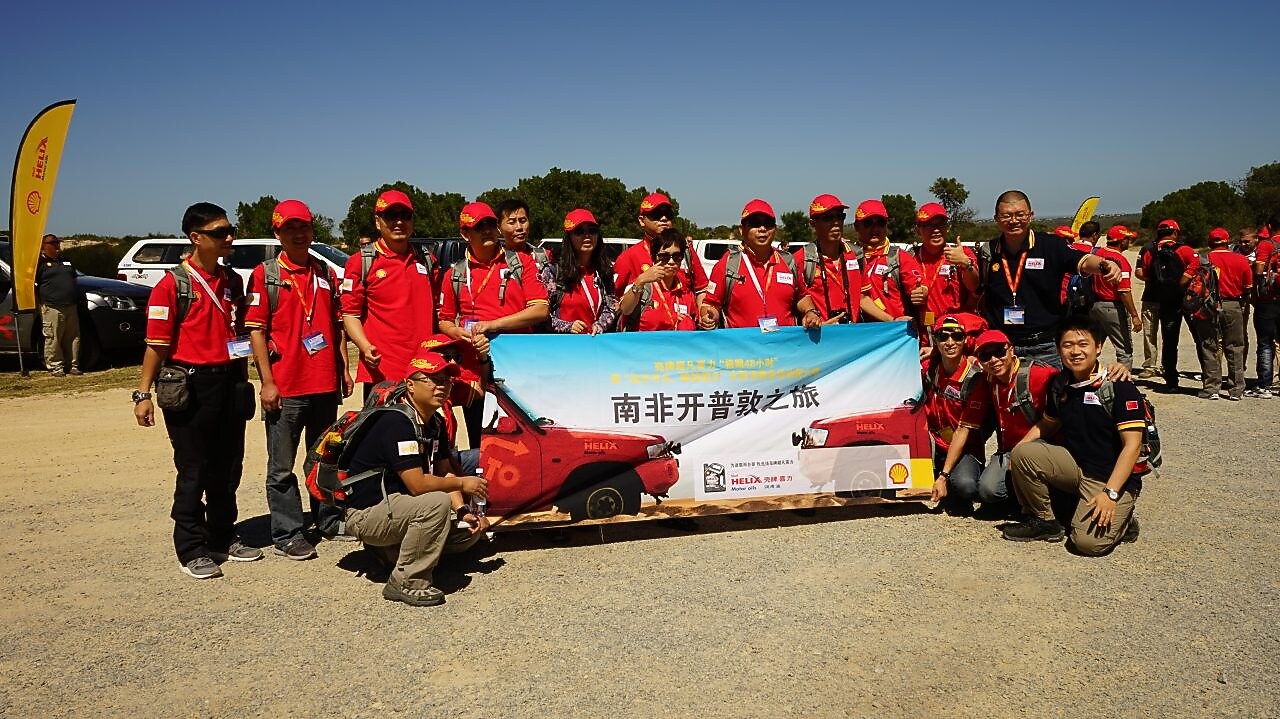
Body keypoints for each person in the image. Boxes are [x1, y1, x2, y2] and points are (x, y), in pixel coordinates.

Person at [133, 202, 262, 579]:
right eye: (220, 232)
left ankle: (223, 535)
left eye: (229, 230)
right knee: (194, 470)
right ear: (196, 238)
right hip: (189, 385)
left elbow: (240, 331)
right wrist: (142, 395)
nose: (229, 238)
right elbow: (156, 345)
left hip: (229, 380)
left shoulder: (232, 281)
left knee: (228, 466)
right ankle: (190, 547)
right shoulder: (172, 285)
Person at [245, 200, 355, 561]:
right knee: (281, 467)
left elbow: (336, 324)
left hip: (323, 382)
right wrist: (268, 382)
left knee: (324, 459)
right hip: (286, 386)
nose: (299, 233)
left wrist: (342, 367)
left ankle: (328, 520)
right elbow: (256, 331)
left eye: (304, 226)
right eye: (290, 228)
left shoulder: (325, 272)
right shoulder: (266, 275)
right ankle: (288, 532)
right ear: (278, 233)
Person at [339, 349, 488, 607]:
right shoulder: (397, 422)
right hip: (368, 512)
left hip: (398, 508)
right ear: (410, 385)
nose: (441, 386)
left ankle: (391, 553)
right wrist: (463, 484)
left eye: (446, 380)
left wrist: (463, 510)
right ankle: (408, 581)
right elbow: (418, 485)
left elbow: (444, 471)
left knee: (468, 533)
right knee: (436, 505)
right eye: (432, 380)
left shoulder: (433, 424)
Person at [1004, 317, 1145, 554]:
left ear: (1098, 347)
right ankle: (1045, 522)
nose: (1075, 351)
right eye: (1068, 345)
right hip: (1076, 467)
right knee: (1024, 452)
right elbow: (1048, 424)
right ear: (1059, 349)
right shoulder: (1061, 384)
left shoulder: (1118, 386)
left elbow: (1133, 446)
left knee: (1087, 544)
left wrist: (1110, 495)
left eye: (1083, 344)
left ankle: (1125, 518)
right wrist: (1017, 456)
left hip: (1109, 478)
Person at [438, 201, 550, 442]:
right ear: (465, 233)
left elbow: (540, 309)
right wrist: (460, 333)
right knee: (482, 444)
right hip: (475, 373)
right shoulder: (455, 274)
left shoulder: (520, 263)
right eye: (478, 227)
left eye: (490, 224)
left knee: (524, 442)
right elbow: (444, 321)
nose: (487, 230)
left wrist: (494, 324)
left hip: (518, 369)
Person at [977, 191, 1121, 367]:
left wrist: (1105, 264)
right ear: (996, 219)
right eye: (1006, 216)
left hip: (1046, 347)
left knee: (1050, 394)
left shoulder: (1051, 245)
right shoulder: (989, 251)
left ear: (1030, 216)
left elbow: (1082, 260)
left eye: (1020, 215)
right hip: (1003, 348)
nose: (1013, 220)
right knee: (1005, 395)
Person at [341, 190, 437, 399]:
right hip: (382, 373)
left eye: (405, 216)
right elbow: (350, 314)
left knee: (423, 432)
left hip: (424, 370)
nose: (399, 222)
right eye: (391, 216)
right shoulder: (361, 262)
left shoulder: (427, 261)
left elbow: (437, 313)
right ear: (378, 221)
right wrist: (365, 347)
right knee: (384, 430)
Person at [698, 199, 822, 330]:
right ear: (741, 229)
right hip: (743, 348)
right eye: (755, 223)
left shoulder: (788, 262)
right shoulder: (728, 264)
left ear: (775, 229)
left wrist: (810, 311)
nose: (762, 229)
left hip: (784, 347)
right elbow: (710, 303)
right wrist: (710, 317)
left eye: (768, 224)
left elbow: (802, 296)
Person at [923, 314, 991, 515]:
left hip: (963, 447)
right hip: (936, 443)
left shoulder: (975, 378)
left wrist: (943, 476)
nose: (950, 342)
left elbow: (964, 431)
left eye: (957, 336)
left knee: (966, 486)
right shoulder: (930, 368)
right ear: (936, 341)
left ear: (965, 340)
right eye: (943, 337)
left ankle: (950, 476)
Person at [1134, 218, 1200, 391]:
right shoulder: (1184, 249)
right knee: (1184, 339)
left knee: (1158, 337)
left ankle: (1160, 373)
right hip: (1180, 300)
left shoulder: (1149, 250)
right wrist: (1182, 281)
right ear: (1175, 233)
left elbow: (1142, 272)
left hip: (1156, 299)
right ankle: (1186, 379)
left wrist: (1156, 281)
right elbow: (1197, 266)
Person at [613, 192, 708, 311]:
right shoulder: (629, 257)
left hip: (683, 326)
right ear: (642, 221)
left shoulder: (686, 250)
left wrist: (703, 314)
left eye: (668, 214)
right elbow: (614, 300)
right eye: (656, 214)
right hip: (646, 327)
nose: (664, 219)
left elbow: (701, 289)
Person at [795, 194, 879, 325]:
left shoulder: (856, 255)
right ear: (813, 224)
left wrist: (894, 321)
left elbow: (862, 299)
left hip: (852, 337)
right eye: (827, 218)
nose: (836, 222)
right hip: (819, 339)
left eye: (840, 216)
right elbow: (795, 302)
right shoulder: (801, 259)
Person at [543, 209, 618, 334]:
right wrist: (567, 326)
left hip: (595, 345)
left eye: (592, 230)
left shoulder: (604, 271)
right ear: (569, 237)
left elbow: (610, 307)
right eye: (579, 231)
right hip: (562, 347)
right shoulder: (554, 271)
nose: (587, 236)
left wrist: (600, 325)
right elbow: (542, 314)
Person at [911, 202, 979, 336]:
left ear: (947, 228)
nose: (936, 230)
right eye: (928, 225)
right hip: (924, 334)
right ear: (918, 230)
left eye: (940, 224)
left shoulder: (961, 253)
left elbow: (975, 287)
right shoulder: (910, 258)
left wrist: (966, 264)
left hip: (956, 334)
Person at [1200, 227, 1253, 401]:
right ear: (1228, 242)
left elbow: (1190, 282)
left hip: (1208, 305)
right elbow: (1248, 286)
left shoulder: (1203, 259)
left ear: (1209, 242)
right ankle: (1236, 389)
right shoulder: (1240, 260)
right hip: (1233, 304)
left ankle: (1211, 387)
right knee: (1235, 346)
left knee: (1210, 346)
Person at [617, 229, 698, 331]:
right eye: (664, 256)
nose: (671, 261)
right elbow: (625, 309)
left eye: (677, 256)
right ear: (654, 258)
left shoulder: (685, 293)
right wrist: (640, 281)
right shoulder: (644, 286)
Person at [853, 199, 920, 322]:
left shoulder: (899, 257)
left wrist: (921, 292)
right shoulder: (848, 256)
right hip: (858, 333)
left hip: (892, 332)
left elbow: (918, 288)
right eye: (868, 223)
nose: (875, 228)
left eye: (880, 222)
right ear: (856, 226)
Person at [1089, 225, 1141, 369]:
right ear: (1121, 241)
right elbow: (1124, 291)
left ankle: (1085, 378)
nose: (1129, 242)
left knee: (1093, 347)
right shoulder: (1121, 261)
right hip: (1113, 308)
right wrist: (1135, 315)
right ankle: (1124, 386)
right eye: (1128, 239)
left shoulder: (1096, 254)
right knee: (1124, 351)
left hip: (1094, 306)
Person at [34, 234, 81, 376]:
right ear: (44, 245)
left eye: (57, 243)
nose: (57, 246)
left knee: (73, 337)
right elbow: (33, 284)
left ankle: (72, 364)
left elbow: (74, 279)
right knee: (53, 336)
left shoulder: (66, 261)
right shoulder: (40, 263)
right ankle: (55, 365)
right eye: (53, 243)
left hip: (70, 305)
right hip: (52, 306)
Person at [1247, 221, 1280, 397]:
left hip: (1268, 299)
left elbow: (1259, 270)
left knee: (1265, 342)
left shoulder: (1267, 244)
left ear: (1269, 225)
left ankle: (1264, 385)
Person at [496, 198, 554, 274]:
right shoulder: (494, 260)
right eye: (512, 222)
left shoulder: (545, 257)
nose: (519, 227)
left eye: (523, 221)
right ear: (498, 228)